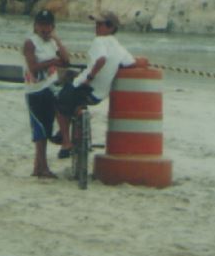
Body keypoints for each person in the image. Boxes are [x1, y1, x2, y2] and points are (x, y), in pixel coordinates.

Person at [54, 11, 143, 130]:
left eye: (100, 25)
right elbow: (131, 63)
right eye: (96, 24)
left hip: (87, 88)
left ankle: (64, 139)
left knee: (58, 99)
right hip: (99, 95)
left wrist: (89, 78)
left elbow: (101, 59)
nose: (96, 27)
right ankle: (78, 116)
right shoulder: (118, 46)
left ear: (111, 27)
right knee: (71, 89)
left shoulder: (99, 41)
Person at [22, 9, 70, 177]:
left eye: (48, 26)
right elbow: (33, 68)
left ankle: (39, 167)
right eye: (41, 25)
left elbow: (66, 60)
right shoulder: (30, 43)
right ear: (35, 26)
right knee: (40, 130)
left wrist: (57, 39)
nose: (45, 29)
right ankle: (43, 168)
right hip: (35, 90)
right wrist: (52, 62)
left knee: (46, 128)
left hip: (49, 88)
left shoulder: (52, 42)